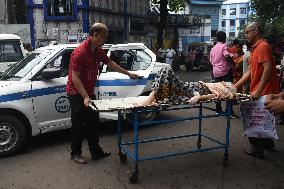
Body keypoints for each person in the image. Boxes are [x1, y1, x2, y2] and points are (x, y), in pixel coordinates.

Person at [66, 23, 139, 164]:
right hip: (76, 93)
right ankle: (75, 153)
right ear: (95, 35)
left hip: (88, 92)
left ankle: (96, 152)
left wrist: (128, 73)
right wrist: (85, 97)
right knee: (78, 124)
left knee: (93, 123)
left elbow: (110, 64)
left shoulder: (98, 50)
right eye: (104, 37)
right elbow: (75, 78)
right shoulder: (80, 52)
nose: (105, 39)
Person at [234, 22, 280, 158]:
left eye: (247, 32)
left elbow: (268, 69)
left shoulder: (263, 47)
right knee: (264, 119)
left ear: (256, 31)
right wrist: (233, 87)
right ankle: (268, 144)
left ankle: (257, 149)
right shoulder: (255, 48)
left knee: (253, 119)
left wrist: (259, 91)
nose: (245, 35)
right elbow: (249, 72)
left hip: (265, 91)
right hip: (260, 90)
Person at [135, 67, 237, 107]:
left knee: (166, 70)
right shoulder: (215, 85)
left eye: (225, 83)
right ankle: (152, 96)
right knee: (163, 71)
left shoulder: (221, 90)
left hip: (189, 90)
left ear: (226, 87)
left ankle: (150, 98)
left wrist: (199, 97)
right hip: (188, 87)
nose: (223, 81)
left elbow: (214, 96)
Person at [209, 31, 235, 116]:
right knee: (230, 91)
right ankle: (229, 111)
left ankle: (218, 110)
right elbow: (227, 56)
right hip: (225, 72)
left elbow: (211, 61)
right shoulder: (224, 46)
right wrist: (233, 63)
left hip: (216, 72)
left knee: (218, 91)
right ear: (224, 38)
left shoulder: (213, 48)